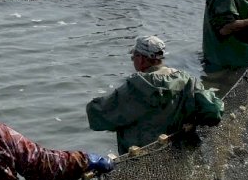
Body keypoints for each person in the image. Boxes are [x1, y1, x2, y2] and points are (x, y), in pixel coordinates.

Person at [87, 36, 223, 155]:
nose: (133, 60)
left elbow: (99, 116)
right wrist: (190, 119)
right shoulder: (187, 81)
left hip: (142, 160)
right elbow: (214, 111)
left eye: (133, 56)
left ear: (141, 59)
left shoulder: (135, 87)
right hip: (180, 155)